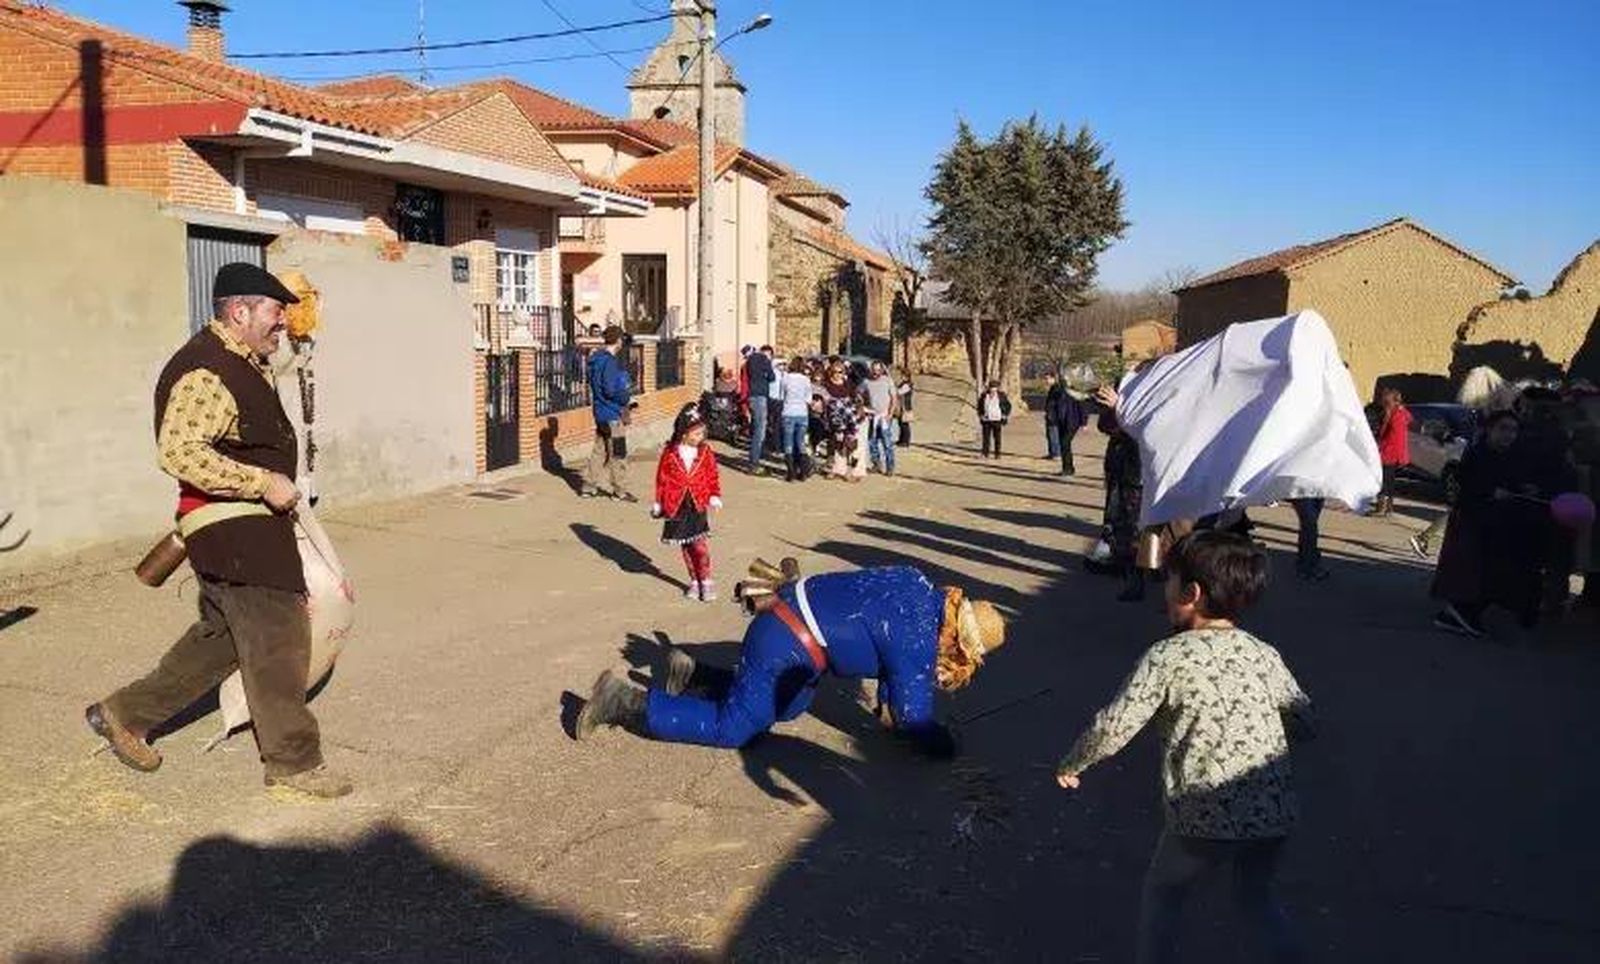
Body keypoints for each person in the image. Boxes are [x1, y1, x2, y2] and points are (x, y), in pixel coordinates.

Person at [85, 263, 351, 799]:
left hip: (235, 532)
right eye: (275, 314)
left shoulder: (241, 363)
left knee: (220, 642)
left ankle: (124, 714)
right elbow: (180, 452)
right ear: (239, 312)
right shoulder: (208, 370)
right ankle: (295, 763)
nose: (283, 324)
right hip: (236, 533)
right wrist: (262, 480)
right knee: (279, 640)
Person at [1057, 531, 1312, 964]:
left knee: (1164, 893)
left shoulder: (1167, 656)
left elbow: (1114, 725)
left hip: (1203, 813)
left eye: (1169, 583)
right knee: (1256, 898)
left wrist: (1074, 762)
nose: (1165, 593)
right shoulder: (1264, 653)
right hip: (1273, 810)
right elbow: (1305, 719)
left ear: (1191, 593)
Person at [577, 561, 1008, 758]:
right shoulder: (917, 642)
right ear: (955, 638)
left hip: (793, 628)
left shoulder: (915, 584)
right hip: (786, 641)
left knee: (790, 705)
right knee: (738, 728)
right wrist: (941, 742)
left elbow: (892, 670)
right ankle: (621, 702)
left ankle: (693, 674)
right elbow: (912, 713)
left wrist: (887, 709)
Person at [1431, 411, 1548, 637]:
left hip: (1501, 524)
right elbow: (1464, 487)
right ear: (1490, 430)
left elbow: (1512, 481)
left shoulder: (1512, 456)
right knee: (1482, 574)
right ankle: (1459, 612)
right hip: (1476, 524)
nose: (1509, 435)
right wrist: (1490, 492)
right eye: (1503, 428)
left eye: (1513, 430)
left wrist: (1524, 489)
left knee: (1503, 573)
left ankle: (1462, 613)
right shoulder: (1477, 454)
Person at [653, 404, 724, 602]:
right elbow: (662, 477)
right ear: (684, 433)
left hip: (697, 503)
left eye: (702, 433)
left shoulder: (704, 452)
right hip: (676, 503)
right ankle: (694, 580)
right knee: (684, 545)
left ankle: (706, 580)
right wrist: (659, 501)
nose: (700, 437)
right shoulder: (670, 452)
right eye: (696, 433)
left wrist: (714, 495)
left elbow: (712, 474)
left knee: (699, 545)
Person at [581, 325, 636, 502]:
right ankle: (620, 490)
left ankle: (589, 486)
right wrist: (626, 398)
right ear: (619, 340)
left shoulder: (595, 360)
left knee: (599, 450)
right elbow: (611, 389)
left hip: (600, 412)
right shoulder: (610, 362)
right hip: (612, 414)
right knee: (618, 453)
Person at [1373, 387, 1411, 516]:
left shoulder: (1395, 415)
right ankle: (1388, 508)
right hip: (1395, 453)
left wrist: (1379, 445)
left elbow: (1391, 436)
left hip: (1389, 452)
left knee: (1384, 480)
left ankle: (1382, 508)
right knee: (1389, 481)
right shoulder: (1401, 413)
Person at [778, 356, 815, 482]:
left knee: (788, 443)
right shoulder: (806, 380)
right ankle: (803, 472)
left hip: (788, 411)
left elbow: (781, 396)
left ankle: (791, 472)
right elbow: (809, 399)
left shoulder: (786, 378)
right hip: (802, 412)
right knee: (800, 443)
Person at [742, 344, 776, 476]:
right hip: (761, 396)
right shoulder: (763, 359)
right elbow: (772, 377)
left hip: (751, 397)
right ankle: (754, 463)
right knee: (760, 430)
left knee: (756, 428)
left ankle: (755, 459)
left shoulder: (748, 363)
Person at [862, 361, 900, 476]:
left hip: (884, 416)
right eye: (874, 370)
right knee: (872, 442)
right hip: (872, 416)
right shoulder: (866, 381)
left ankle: (890, 467)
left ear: (882, 370)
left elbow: (894, 398)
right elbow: (858, 392)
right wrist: (864, 406)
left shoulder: (887, 381)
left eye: (878, 370)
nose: (875, 372)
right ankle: (876, 464)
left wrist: (890, 414)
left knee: (887, 443)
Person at [1050, 377, 1089, 476]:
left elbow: (1082, 406)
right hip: (1060, 420)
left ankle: (1068, 469)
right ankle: (1067, 468)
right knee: (1064, 444)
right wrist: (1051, 417)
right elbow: (1051, 404)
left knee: (1065, 443)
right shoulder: (1056, 389)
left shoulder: (1075, 390)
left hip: (1072, 421)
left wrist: (1084, 423)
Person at [1288, 498, 1329, 581]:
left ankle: (1307, 561)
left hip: (1318, 491)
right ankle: (1307, 567)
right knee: (1310, 525)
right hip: (1302, 493)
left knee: (1309, 526)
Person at [977, 379, 1012, 459]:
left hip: (997, 419)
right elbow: (979, 406)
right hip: (986, 419)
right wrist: (980, 415)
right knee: (986, 438)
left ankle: (997, 454)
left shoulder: (1001, 395)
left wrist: (1005, 415)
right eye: (991, 388)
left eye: (994, 388)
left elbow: (1008, 406)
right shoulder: (984, 395)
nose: (993, 390)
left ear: (997, 388)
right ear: (989, 388)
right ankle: (985, 453)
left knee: (997, 438)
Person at [1044, 372, 1064, 460]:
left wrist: (1054, 413)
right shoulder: (1053, 388)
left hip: (1054, 416)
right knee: (1049, 434)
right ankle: (1052, 452)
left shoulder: (1057, 388)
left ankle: (1057, 453)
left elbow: (1057, 403)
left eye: (1048, 379)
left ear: (1053, 379)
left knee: (1054, 434)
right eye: (1045, 379)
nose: (1046, 381)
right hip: (1050, 414)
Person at [895, 369, 915, 448]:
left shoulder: (907, 385)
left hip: (905, 407)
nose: (901, 377)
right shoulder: (904, 384)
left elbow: (899, 392)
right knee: (900, 424)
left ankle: (905, 441)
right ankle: (901, 439)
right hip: (902, 407)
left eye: (902, 375)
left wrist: (895, 388)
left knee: (904, 425)